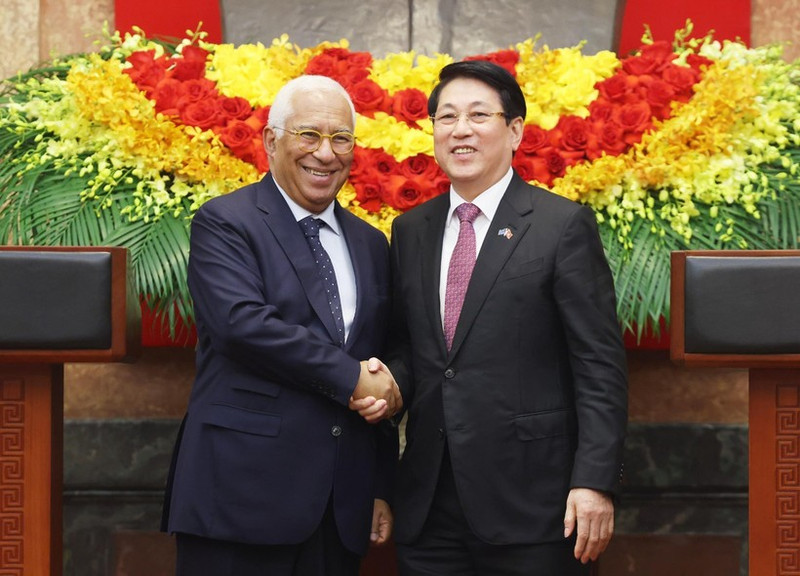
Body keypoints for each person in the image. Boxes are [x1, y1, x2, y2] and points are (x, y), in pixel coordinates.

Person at [357, 60, 628, 575]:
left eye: (479, 115)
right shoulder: (411, 229)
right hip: (429, 503)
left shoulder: (560, 225)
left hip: (535, 503)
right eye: (447, 117)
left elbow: (599, 367)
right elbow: (410, 351)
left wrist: (594, 481)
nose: (460, 130)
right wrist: (388, 384)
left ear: (515, 131)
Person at [161, 74, 401, 576]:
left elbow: (383, 349)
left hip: (339, 507)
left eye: (341, 138)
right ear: (271, 140)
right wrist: (352, 377)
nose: (326, 153)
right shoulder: (226, 222)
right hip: (240, 496)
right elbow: (241, 325)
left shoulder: (371, 243)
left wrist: (380, 482)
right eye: (308, 135)